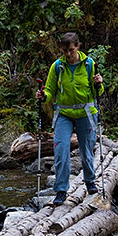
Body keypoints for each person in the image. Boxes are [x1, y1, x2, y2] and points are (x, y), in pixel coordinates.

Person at [36, 32, 104, 206]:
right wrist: (44, 95)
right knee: (61, 150)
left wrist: (99, 84)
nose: (68, 54)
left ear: (78, 47)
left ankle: (90, 181)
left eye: (71, 50)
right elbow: (50, 90)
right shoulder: (57, 66)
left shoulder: (89, 64)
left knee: (87, 151)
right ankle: (61, 190)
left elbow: (97, 92)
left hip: (86, 113)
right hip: (64, 114)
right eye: (64, 51)